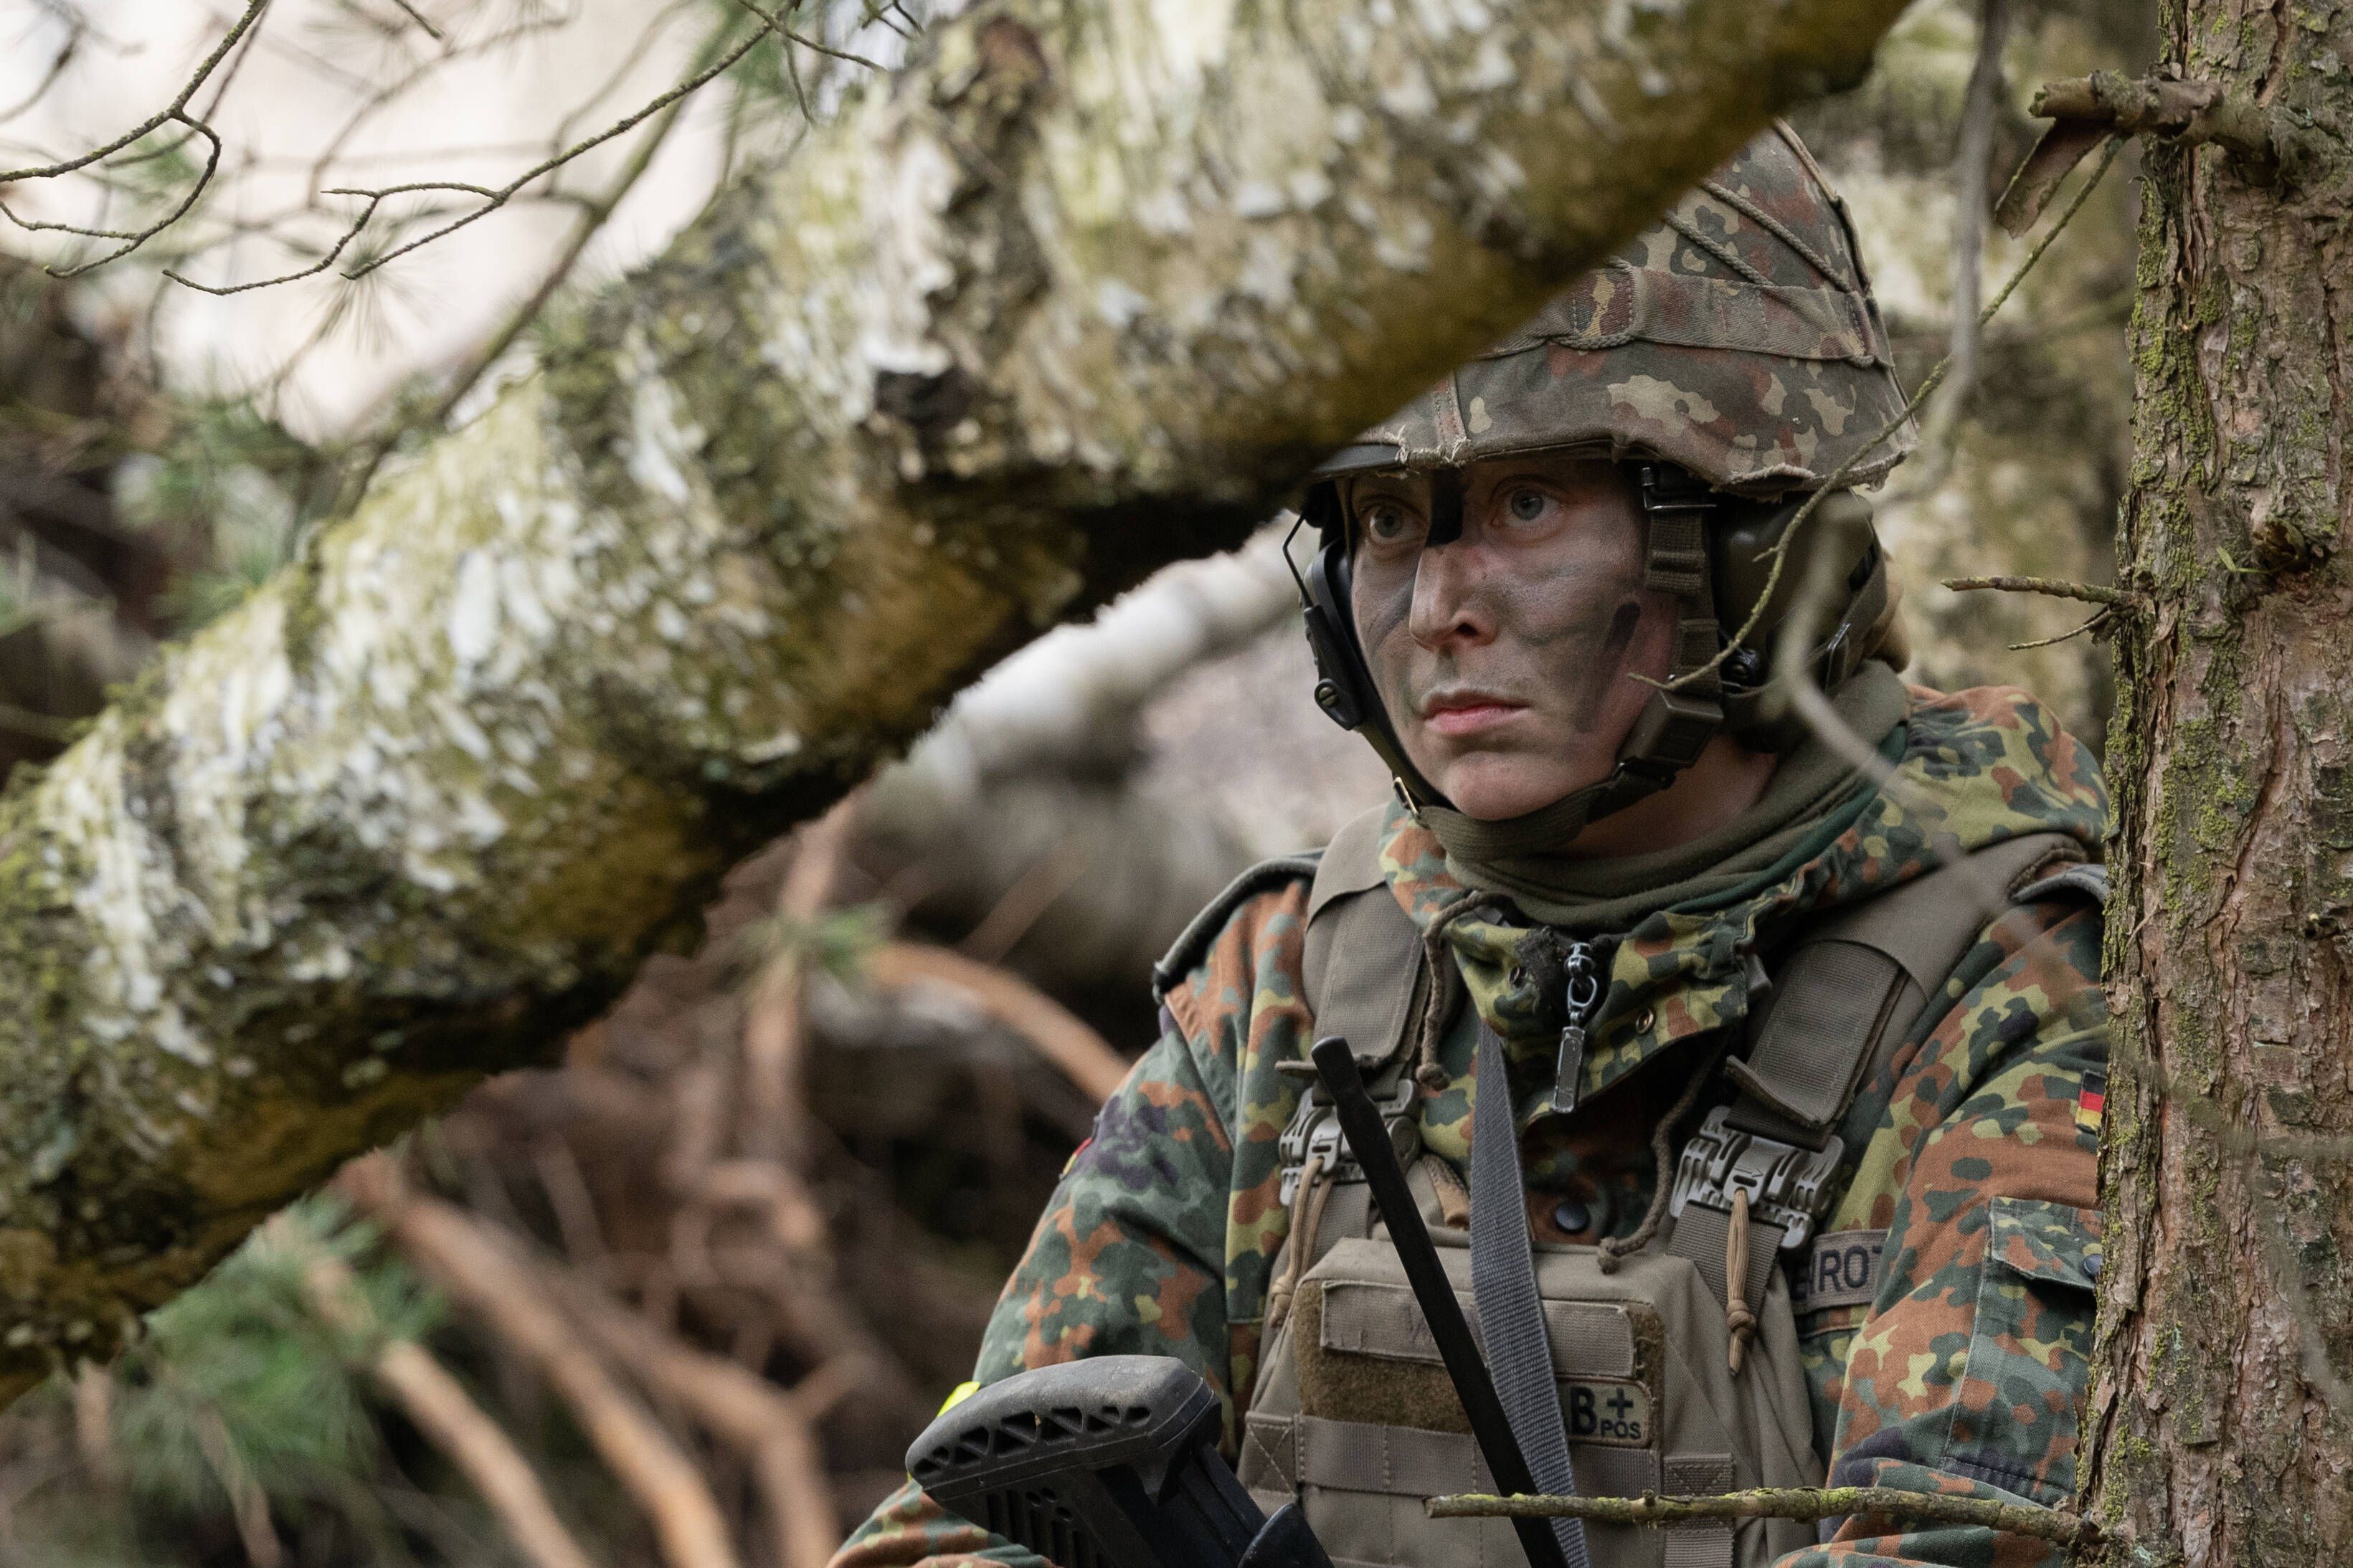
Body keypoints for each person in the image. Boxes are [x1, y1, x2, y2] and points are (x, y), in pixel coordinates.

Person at [833, 123, 2107, 1568]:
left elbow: (1971, 1545)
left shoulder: (2015, 981)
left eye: (1526, 503)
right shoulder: (1296, 984)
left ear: (1754, 544)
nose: (1441, 605)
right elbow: (971, 1514)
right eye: (1388, 520)